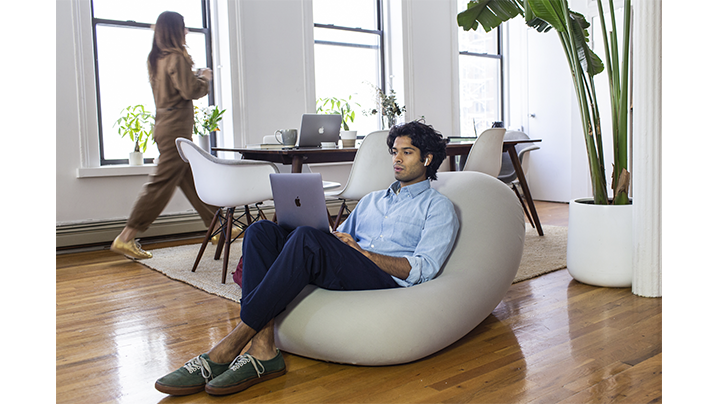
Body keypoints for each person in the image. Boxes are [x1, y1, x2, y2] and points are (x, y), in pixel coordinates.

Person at [154, 121, 460, 397]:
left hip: (383, 280)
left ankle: (228, 347)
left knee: (306, 240)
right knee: (261, 231)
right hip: (349, 265)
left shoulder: (437, 207)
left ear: (427, 158)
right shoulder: (372, 200)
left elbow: (422, 269)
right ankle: (262, 350)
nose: (396, 158)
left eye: (406, 152)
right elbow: (339, 238)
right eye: (394, 151)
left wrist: (364, 254)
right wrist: (324, 230)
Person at [110, 11, 220, 260]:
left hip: (164, 125)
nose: (187, 32)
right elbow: (190, 90)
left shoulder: (157, 59)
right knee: (160, 184)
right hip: (175, 130)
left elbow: (175, 89)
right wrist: (204, 79)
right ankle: (126, 236)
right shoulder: (176, 58)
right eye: (184, 27)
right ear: (174, 30)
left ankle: (218, 227)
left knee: (189, 177)